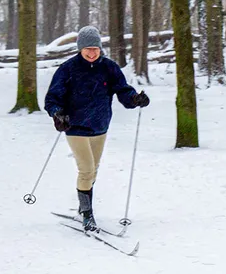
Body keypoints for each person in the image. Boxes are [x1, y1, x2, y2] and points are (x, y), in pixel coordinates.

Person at [44, 26, 149, 232]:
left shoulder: (109, 68)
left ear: (100, 49)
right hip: (75, 126)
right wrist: (57, 113)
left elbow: (123, 90)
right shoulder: (68, 68)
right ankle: (87, 215)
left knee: (93, 170)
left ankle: (83, 206)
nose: (92, 53)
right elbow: (52, 98)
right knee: (86, 170)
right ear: (80, 49)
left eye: (96, 49)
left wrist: (135, 99)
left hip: (100, 126)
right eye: (87, 49)